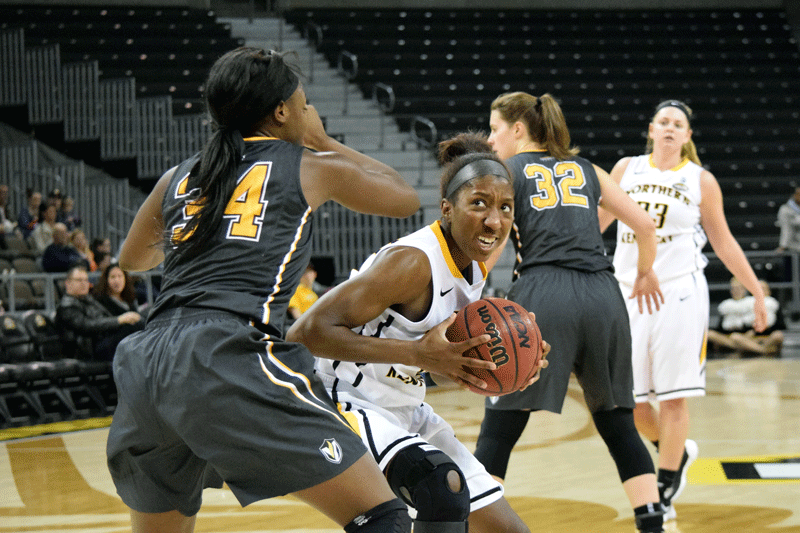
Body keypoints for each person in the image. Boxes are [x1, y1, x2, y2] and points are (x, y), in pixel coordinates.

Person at [105, 47, 421, 533]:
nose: (308, 112)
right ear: (282, 112)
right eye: (304, 104)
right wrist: (323, 140)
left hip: (146, 361)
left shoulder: (178, 177)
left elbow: (133, 259)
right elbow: (404, 199)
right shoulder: (308, 164)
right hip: (224, 352)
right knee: (381, 515)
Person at [289, 132, 548, 533]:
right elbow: (304, 333)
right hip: (342, 398)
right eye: (478, 203)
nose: (494, 220)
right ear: (447, 208)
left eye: (505, 207)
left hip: (404, 405)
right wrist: (418, 356)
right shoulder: (412, 263)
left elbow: (438, 362)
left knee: (509, 530)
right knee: (441, 489)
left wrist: (503, 366)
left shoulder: (474, 266)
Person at [474, 92, 666, 533]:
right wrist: (644, 273)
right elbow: (645, 225)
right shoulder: (589, 170)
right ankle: (652, 523)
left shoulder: (506, 171)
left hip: (543, 294)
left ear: (518, 130)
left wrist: (463, 297)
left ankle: (476, 524)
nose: (490, 139)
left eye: (495, 128)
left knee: (500, 426)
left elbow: (492, 246)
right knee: (619, 424)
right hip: (604, 294)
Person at [598, 99, 769, 522]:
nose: (670, 128)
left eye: (679, 124)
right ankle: (675, 451)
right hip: (627, 290)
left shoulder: (700, 180)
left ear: (687, 136)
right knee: (628, 401)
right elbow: (594, 224)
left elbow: (724, 241)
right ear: (651, 130)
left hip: (679, 294)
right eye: (664, 122)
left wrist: (758, 294)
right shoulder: (626, 169)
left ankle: (666, 482)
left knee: (673, 398)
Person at [55, 264, 143, 361]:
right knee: (134, 328)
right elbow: (86, 326)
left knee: (136, 325)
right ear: (68, 283)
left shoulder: (88, 300)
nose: (84, 283)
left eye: (85, 280)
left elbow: (104, 317)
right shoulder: (66, 306)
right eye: (79, 280)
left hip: (101, 342)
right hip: (87, 351)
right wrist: (119, 320)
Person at [707, 278, 784, 356]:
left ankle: (750, 348)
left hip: (760, 336)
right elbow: (721, 327)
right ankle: (763, 350)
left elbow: (779, 326)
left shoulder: (773, 304)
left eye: (763, 289)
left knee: (778, 335)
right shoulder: (727, 305)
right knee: (731, 337)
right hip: (736, 336)